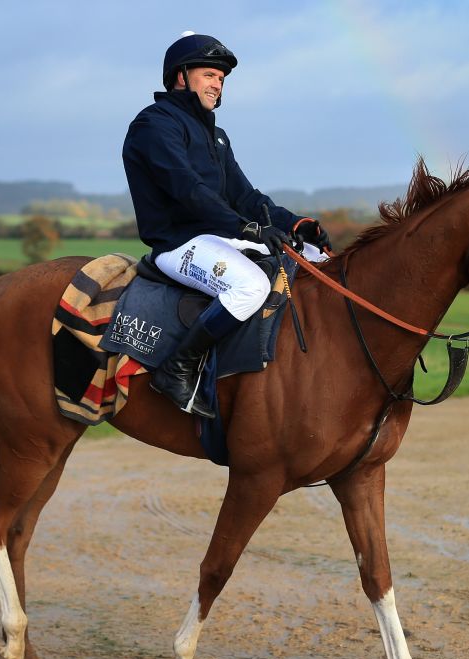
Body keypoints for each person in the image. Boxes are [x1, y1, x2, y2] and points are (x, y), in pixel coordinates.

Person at [123, 31, 332, 418]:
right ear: (180, 76)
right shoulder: (154, 125)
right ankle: (177, 369)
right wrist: (247, 229)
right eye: (209, 75)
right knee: (250, 286)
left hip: (220, 241)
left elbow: (247, 198)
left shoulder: (216, 136)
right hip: (179, 245)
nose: (217, 85)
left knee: (317, 260)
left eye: (221, 78)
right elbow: (188, 190)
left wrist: (297, 224)